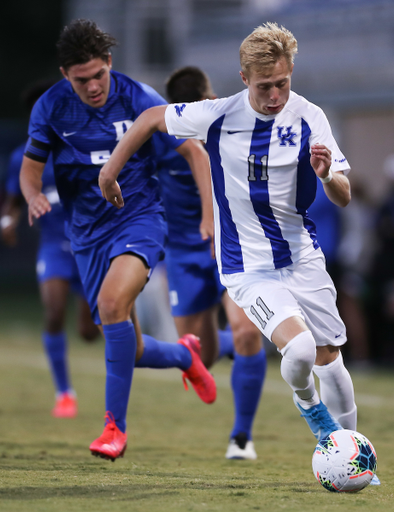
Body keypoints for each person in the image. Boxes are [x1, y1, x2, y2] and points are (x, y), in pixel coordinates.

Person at [99, 22, 380, 484]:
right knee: (303, 349)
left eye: (283, 84)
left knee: (331, 359)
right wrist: (111, 171)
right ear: (245, 77)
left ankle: (355, 462)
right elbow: (150, 119)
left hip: (303, 259)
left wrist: (329, 175)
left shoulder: (310, 117)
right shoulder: (217, 114)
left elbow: (345, 196)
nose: (275, 95)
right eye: (266, 85)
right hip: (248, 269)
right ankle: (310, 411)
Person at [19, 19, 216, 462]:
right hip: (85, 235)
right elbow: (31, 168)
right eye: (80, 79)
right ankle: (185, 357)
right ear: (65, 75)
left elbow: (194, 151)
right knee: (133, 346)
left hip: (139, 219)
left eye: (98, 75)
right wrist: (32, 196)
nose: (92, 87)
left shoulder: (138, 97)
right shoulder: (50, 108)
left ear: (109, 62)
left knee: (111, 307)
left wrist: (208, 215)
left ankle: (114, 428)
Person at [156, 66, 266, 459]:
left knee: (248, 332)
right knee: (199, 356)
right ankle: (230, 346)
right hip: (183, 254)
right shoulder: (162, 139)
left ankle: (241, 437)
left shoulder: (235, 130)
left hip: (231, 247)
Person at [0, 81, 100, 419]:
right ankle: (64, 394)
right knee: (54, 313)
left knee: (88, 333)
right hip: (53, 248)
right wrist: (7, 222)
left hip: (87, 245)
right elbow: (13, 201)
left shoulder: (83, 145)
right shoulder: (23, 156)